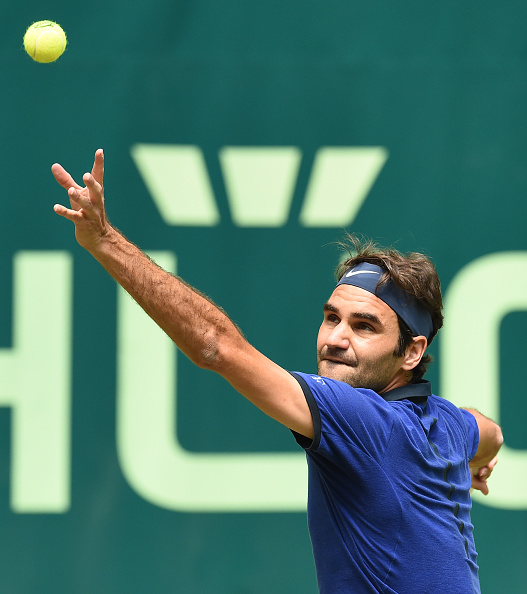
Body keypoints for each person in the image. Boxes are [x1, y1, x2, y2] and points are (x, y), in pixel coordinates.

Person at [52, 149, 503, 594]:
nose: (335, 339)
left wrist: (105, 241)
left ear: (411, 352)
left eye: (364, 326)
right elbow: (491, 433)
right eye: (331, 317)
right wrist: (471, 459)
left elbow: (215, 346)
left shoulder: (364, 419)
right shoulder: (445, 424)